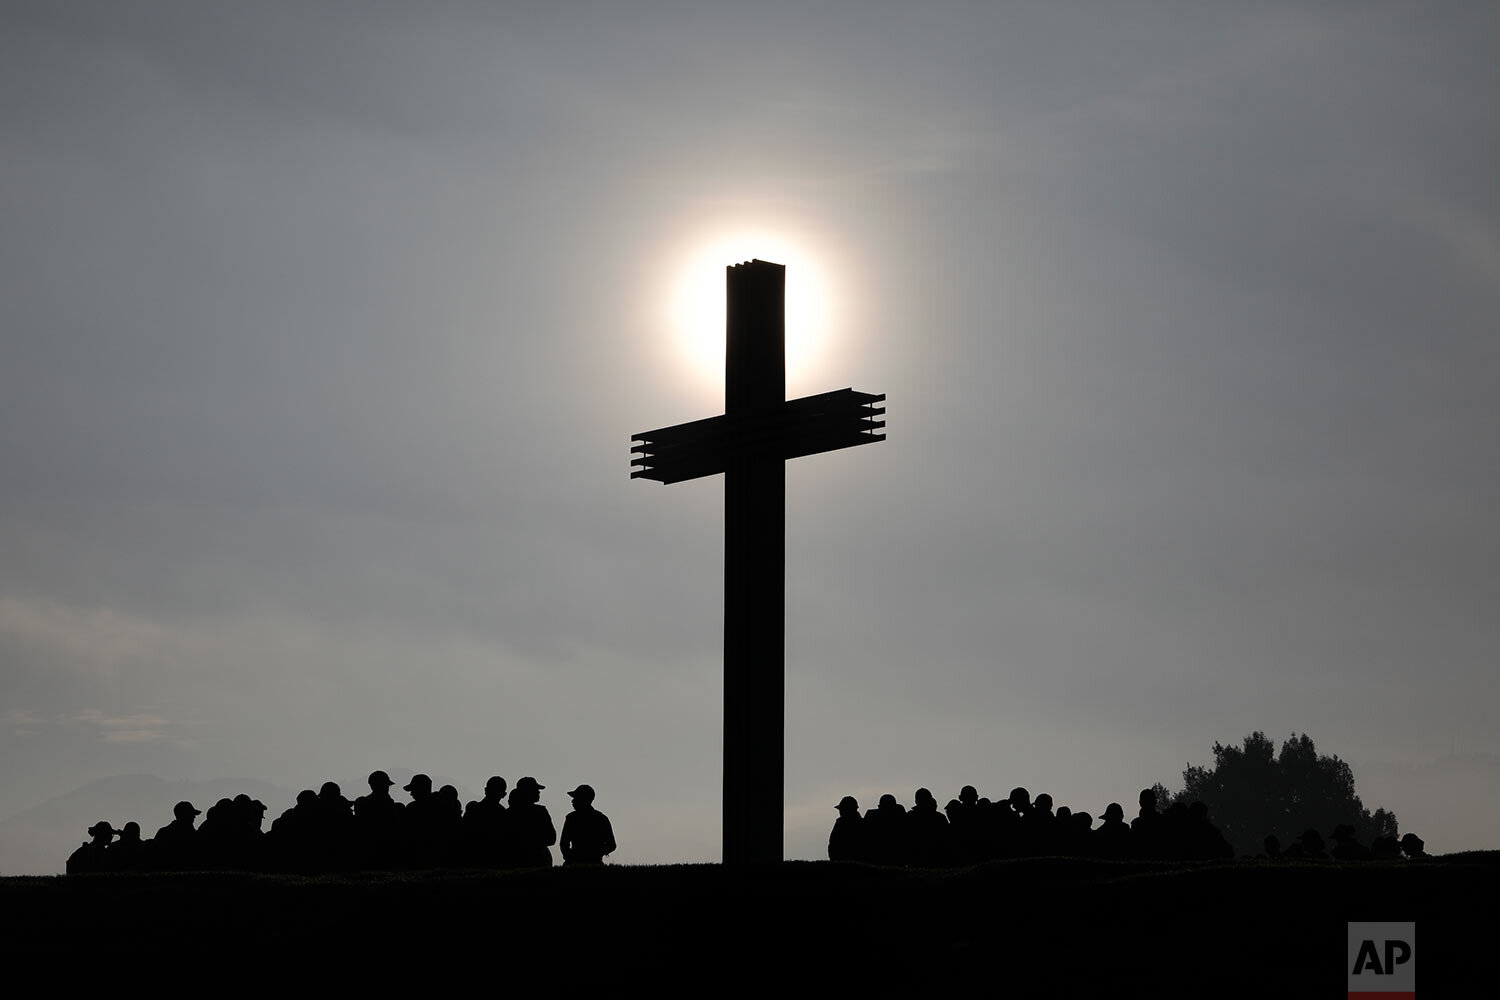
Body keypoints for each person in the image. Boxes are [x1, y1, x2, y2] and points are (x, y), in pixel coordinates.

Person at [506, 776, 556, 867]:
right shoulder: (540, 812)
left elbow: (552, 838)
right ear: (527, 792)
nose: (538, 792)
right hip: (538, 861)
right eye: (535, 789)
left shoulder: (508, 813)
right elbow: (551, 838)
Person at [559, 784, 616, 865]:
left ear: (583, 799)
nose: (573, 801)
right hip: (593, 863)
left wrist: (570, 857)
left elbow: (564, 843)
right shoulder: (601, 818)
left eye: (576, 798)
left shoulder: (571, 818)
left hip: (576, 863)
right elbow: (612, 845)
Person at [828, 796, 864, 862]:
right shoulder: (863, 823)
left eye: (842, 809)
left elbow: (833, 843)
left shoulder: (840, 824)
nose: (840, 812)